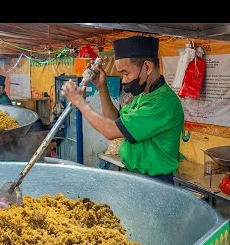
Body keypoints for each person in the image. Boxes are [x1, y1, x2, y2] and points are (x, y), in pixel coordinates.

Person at [61, 36, 184, 185]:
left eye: (126, 73)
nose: (124, 80)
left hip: (153, 182)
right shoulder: (143, 96)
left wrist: (80, 103)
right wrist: (102, 87)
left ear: (147, 67)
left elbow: (111, 131)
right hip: (135, 176)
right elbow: (115, 121)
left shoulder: (162, 104)